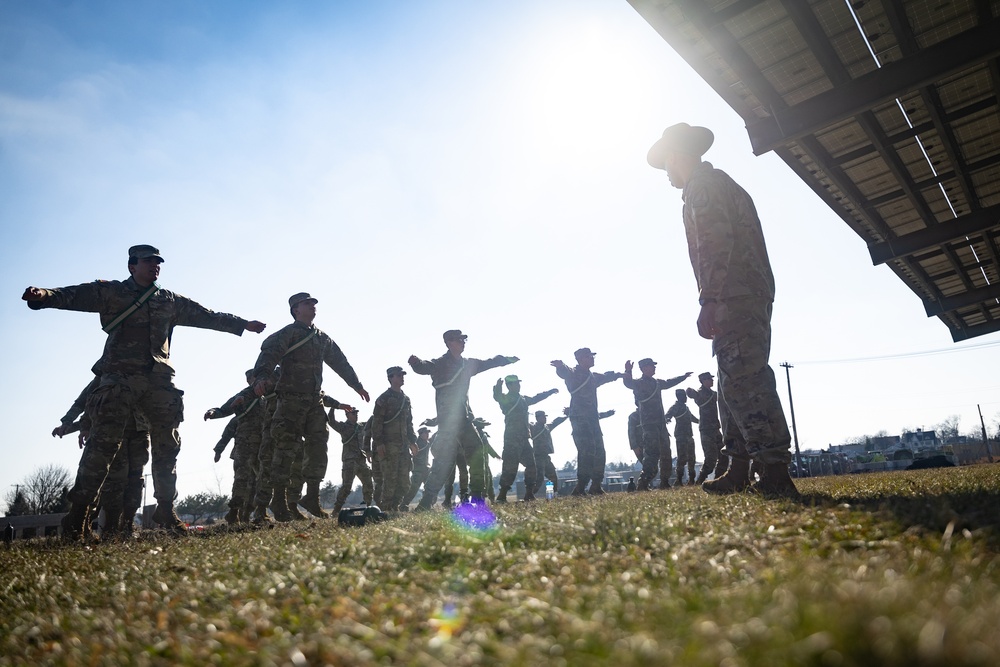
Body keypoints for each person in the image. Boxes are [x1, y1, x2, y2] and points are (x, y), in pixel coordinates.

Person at [22, 244, 266, 540]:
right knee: (102, 447)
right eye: (148, 262)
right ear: (132, 266)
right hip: (118, 379)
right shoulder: (112, 292)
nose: (155, 266)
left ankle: (166, 509)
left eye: (158, 263)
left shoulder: (169, 300)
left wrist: (243, 324)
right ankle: (78, 515)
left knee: (168, 446)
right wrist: (43, 296)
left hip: (159, 381)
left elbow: (207, 315)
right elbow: (74, 295)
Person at [648, 123, 797, 497]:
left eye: (666, 163)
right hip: (744, 293)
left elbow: (715, 244)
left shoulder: (704, 187)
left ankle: (774, 471)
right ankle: (741, 467)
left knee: (746, 381)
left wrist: (709, 298)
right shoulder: (714, 184)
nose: (666, 172)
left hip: (734, 294)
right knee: (732, 382)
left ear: (678, 156)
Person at [251, 293, 367, 521]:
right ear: (296, 310)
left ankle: (311, 497)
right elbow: (268, 356)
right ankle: (280, 501)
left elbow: (340, 362)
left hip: (314, 401)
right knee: (286, 450)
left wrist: (357, 385)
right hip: (290, 400)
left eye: (314, 304)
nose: (313, 307)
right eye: (308, 304)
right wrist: (261, 378)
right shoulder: (288, 333)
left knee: (318, 447)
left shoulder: (321, 338)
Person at [408, 330, 518, 509]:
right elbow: (424, 367)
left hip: (464, 420)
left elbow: (488, 363)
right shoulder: (440, 364)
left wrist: (506, 360)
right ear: (449, 343)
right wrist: (415, 363)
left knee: (477, 453)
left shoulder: (467, 364)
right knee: (442, 463)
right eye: (459, 340)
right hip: (448, 423)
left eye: (464, 340)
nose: (463, 342)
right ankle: (426, 503)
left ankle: (477, 498)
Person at [551, 348, 622, 496]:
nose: (592, 358)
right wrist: (560, 366)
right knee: (587, 451)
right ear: (581, 359)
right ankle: (580, 487)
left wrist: (621, 374)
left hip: (593, 419)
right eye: (589, 356)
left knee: (600, 452)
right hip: (580, 419)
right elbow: (564, 372)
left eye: (592, 356)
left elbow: (607, 377)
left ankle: (596, 485)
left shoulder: (592, 376)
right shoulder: (573, 373)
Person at [205, 370, 266, 524]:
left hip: (264, 444)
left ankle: (258, 513)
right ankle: (234, 512)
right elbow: (226, 416)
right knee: (242, 479)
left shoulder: (269, 395)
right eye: (249, 379)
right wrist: (213, 413)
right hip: (245, 445)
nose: (251, 381)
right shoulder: (244, 396)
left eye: (253, 377)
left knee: (262, 480)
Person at [622, 358, 691, 491]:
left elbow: (669, 382)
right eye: (651, 366)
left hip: (661, 424)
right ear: (643, 368)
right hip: (649, 425)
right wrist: (628, 370)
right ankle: (643, 483)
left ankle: (665, 482)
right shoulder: (639, 383)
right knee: (652, 454)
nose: (654, 368)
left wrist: (683, 377)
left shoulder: (657, 383)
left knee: (666, 453)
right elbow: (628, 383)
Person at [493, 376, 558, 502]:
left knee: (532, 465)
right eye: (515, 384)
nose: (518, 385)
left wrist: (549, 392)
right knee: (510, 467)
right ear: (509, 386)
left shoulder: (522, 399)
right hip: (512, 439)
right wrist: (498, 387)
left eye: (518, 383)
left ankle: (529, 493)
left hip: (524, 438)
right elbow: (498, 397)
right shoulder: (507, 399)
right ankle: (502, 494)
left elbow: (535, 398)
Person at [371, 366, 418, 512]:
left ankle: (394, 506)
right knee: (390, 480)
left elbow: (409, 422)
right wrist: (379, 443)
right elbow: (376, 422)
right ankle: (386, 510)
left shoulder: (406, 399)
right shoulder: (383, 399)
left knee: (405, 483)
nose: (402, 377)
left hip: (403, 446)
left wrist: (413, 441)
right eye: (398, 375)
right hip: (389, 446)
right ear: (390, 378)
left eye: (402, 375)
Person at [329, 407, 374, 517]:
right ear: (347, 415)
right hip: (349, 461)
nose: (356, 415)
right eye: (353, 413)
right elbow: (331, 421)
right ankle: (336, 510)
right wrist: (333, 407)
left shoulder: (361, 426)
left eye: (356, 413)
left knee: (368, 483)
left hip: (361, 461)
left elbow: (372, 421)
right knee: (346, 487)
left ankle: (367, 507)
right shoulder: (343, 427)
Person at [688, 372, 729, 483]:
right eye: (709, 379)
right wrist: (690, 392)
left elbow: (723, 396)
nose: (712, 381)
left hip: (715, 428)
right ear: (704, 381)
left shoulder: (713, 393)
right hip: (706, 430)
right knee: (710, 459)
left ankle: (718, 479)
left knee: (724, 455)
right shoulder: (700, 393)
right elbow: (693, 394)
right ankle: (700, 480)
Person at [530, 410, 568, 496]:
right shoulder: (533, 427)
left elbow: (556, 421)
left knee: (553, 477)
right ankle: (530, 494)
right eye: (543, 417)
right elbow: (527, 424)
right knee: (539, 478)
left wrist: (566, 416)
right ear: (538, 418)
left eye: (545, 417)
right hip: (538, 457)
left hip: (546, 457)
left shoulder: (547, 427)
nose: (545, 418)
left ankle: (552, 495)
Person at [666, 388, 699, 485]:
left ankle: (691, 478)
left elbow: (691, 417)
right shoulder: (675, 407)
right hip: (681, 435)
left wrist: (700, 421)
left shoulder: (686, 408)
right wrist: (668, 419)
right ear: (679, 397)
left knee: (692, 458)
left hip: (689, 435)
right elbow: (668, 415)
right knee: (682, 458)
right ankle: (679, 479)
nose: (685, 398)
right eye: (683, 396)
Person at [400, 426, 433, 509]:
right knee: (413, 489)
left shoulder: (426, 443)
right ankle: (403, 505)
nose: (427, 435)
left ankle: (427, 504)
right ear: (421, 434)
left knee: (430, 487)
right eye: (426, 433)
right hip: (418, 470)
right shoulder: (417, 443)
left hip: (425, 469)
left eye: (428, 433)